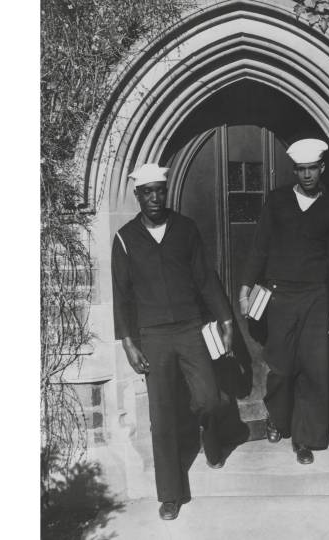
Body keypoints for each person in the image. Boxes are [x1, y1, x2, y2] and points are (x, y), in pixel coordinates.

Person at [112, 163, 248, 520]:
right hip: (152, 336)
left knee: (207, 397)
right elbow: (122, 296)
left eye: (160, 190)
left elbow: (206, 278)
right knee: (162, 415)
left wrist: (226, 318)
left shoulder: (185, 229)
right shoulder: (125, 239)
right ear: (137, 195)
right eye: (147, 192)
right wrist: (128, 341)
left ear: (165, 191)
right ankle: (171, 493)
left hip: (189, 329)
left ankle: (209, 429)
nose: (155, 197)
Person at [238, 138, 329, 465]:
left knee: (314, 370)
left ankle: (304, 440)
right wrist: (245, 288)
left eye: (312, 168)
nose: (307, 174)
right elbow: (259, 247)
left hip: (316, 297)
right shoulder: (277, 201)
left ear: (321, 168)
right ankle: (277, 416)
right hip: (279, 295)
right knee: (282, 367)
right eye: (301, 169)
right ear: (295, 171)